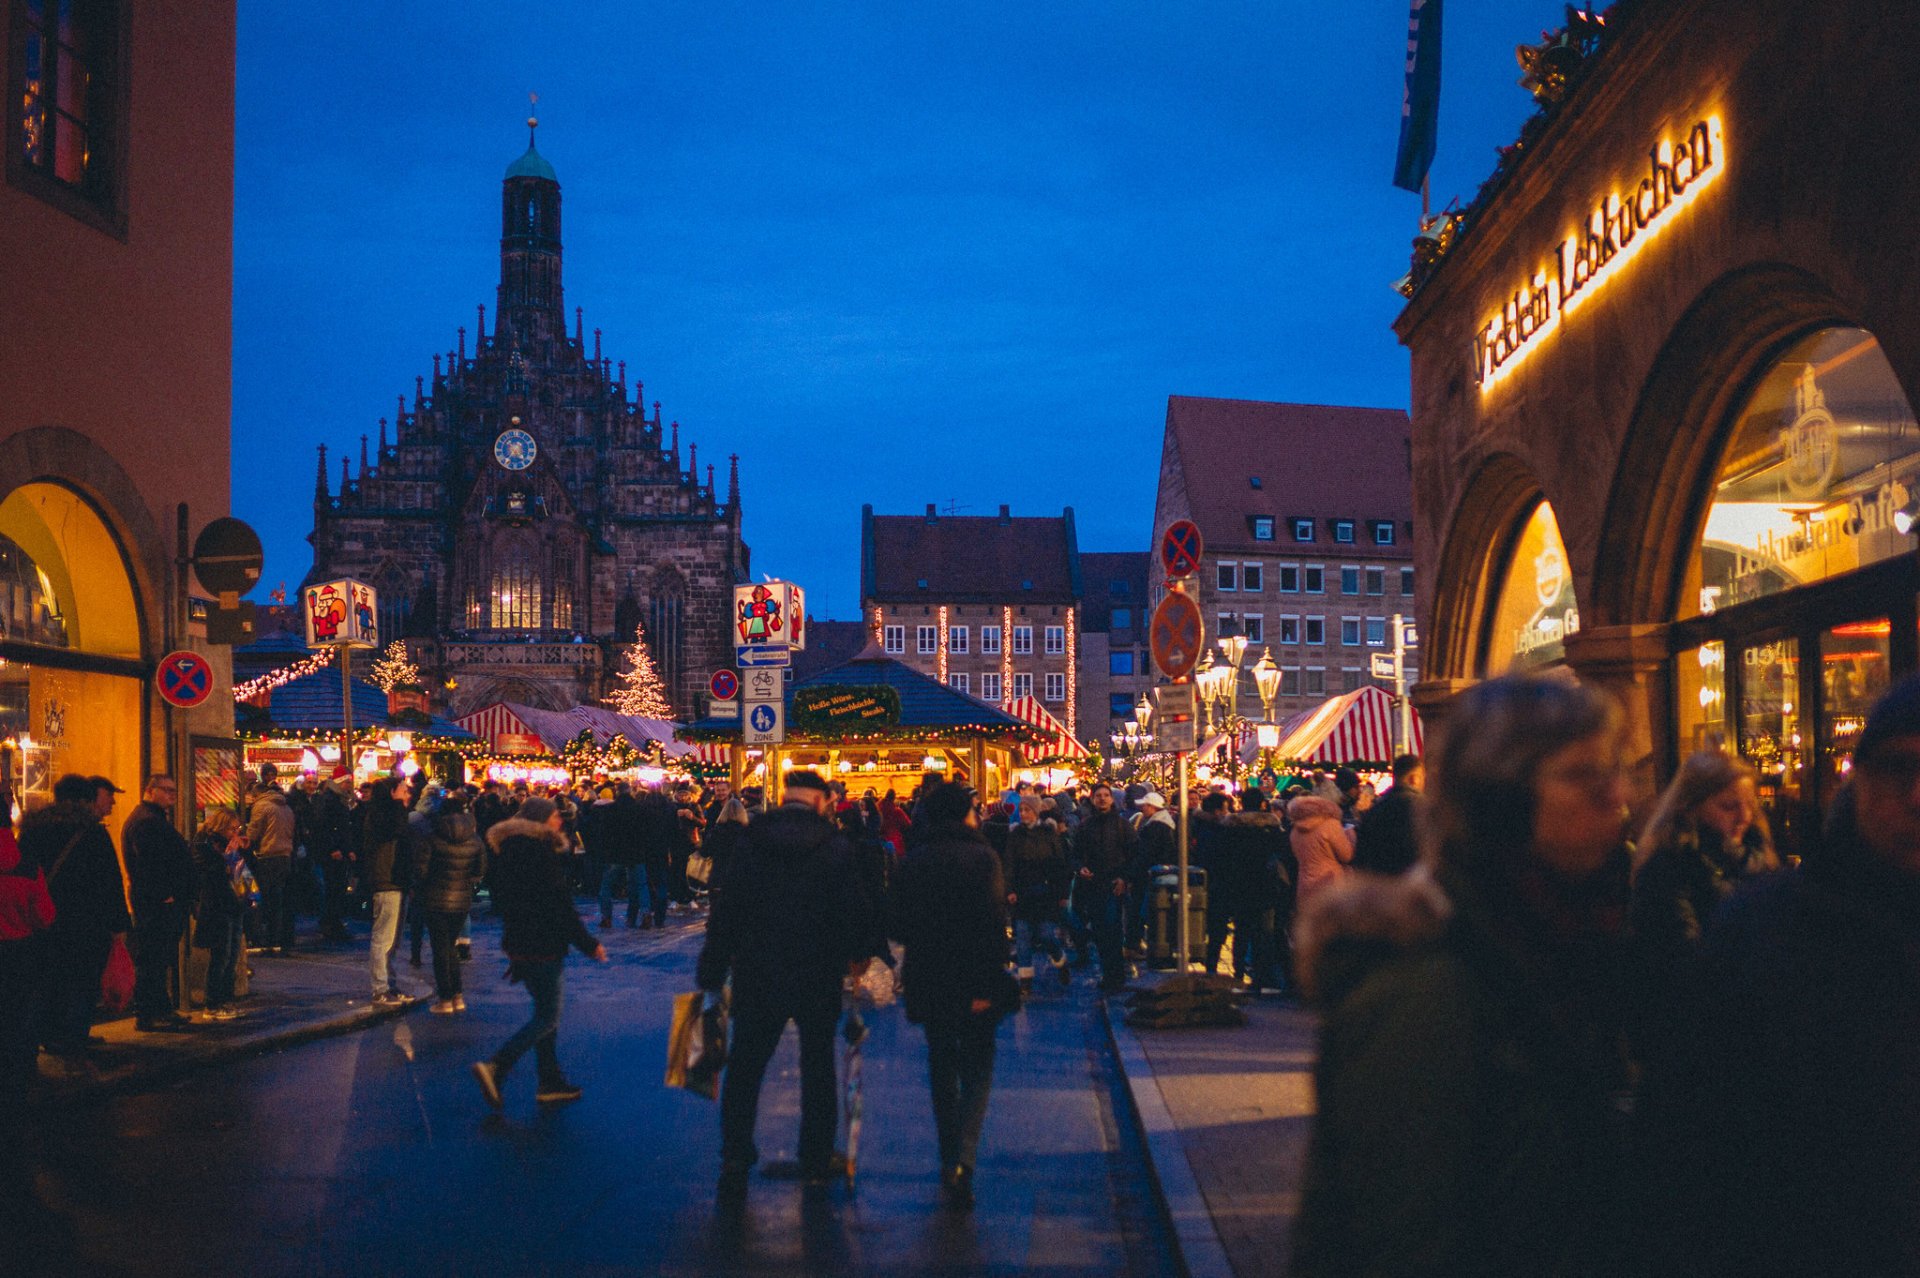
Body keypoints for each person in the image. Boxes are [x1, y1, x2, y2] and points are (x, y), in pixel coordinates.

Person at [1290, 675, 1636, 1276]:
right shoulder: (1426, 987)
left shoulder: (1573, 938)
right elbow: (1398, 1238)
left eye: (1615, 770)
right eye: (1582, 775)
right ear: (1500, 798)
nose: (1617, 797)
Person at [1660, 677, 1920, 1275]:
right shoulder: (1761, 935)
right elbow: (1693, 1157)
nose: (1916, 796)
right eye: (1897, 770)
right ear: (1858, 784)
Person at [696, 769, 874, 1197]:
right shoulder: (834, 846)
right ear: (819, 800)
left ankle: (736, 1154)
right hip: (817, 971)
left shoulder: (753, 841)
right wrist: (859, 955)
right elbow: (853, 910)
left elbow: (729, 908)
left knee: (746, 1065)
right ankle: (814, 1156)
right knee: (817, 1064)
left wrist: (713, 970)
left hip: (758, 969)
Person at [891, 782, 1009, 1207]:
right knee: (977, 1070)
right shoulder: (983, 857)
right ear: (965, 814)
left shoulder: (915, 858)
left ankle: (949, 1158)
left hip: (931, 978)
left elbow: (899, 924)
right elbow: (994, 926)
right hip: (975, 979)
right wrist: (986, 984)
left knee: (942, 1068)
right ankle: (964, 1157)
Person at [1627, 749, 1777, 1073]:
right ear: (1690, 807)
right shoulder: (1669, 867)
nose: (1743, 817)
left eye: (1749, 805)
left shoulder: (1752, 859)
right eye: (1728, 806)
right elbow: (1682, 962)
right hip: (1693, 1045)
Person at [471, 797, 606, 1109]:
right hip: (543, 942)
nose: (560, 820)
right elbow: (560, 905)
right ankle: (497, 1066)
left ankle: (550, 1080)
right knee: (548, 1015)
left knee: (545, 1011)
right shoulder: (540, 854)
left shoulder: (509, 851)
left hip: (520, 940)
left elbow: (505, 900)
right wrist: (588, 944)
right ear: (542, 820)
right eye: (555, 816)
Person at [25, 774, 132, 1055]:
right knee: (82, 980)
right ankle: (74, 1036)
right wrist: (119, 922)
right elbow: (110, 880)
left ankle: (47, 1034)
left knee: (48, 977)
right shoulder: (92, 832)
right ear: (85, 799)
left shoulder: (33, 829)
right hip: (86, 922)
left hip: (43, 918)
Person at [123, 775, 198, 1033]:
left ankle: (160, 1009)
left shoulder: (152, 819)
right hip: (156, 903)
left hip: (160, 900)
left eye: (174, 791)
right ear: (150, 791)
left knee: (159, 957)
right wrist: (164, 894)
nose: (171, 795)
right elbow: (149, 862)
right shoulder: (146, 822)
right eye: (166, 790)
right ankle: (148, 1013)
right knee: (153, 958)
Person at [417, 791, 486, 1014]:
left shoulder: (432, 835)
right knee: (452, 947)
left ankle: (445, 998)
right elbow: (480, 869)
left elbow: (421, 870)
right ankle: (457, 995)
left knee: (441, 949)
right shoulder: (474, 838)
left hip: (435, 898)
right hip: (461, 898)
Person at [0, 815, 54, 1089]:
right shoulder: (29, 866)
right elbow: (44, 916)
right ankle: (17, 1067)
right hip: (20, 950)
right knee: (20, 1010)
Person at [1073, 782, 1139, 993]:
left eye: (1106, 795)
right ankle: (1109, 974)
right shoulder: (1085, 826)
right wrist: (1080, 868)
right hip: (1093, 885)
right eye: (1098, 795)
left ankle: (1115, 976)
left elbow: (1135, 854)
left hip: (1113, 884)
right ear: (1092, 799)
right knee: (1101, 931)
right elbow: (1074, 854)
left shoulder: (1122, 825)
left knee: (1113, 930)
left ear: (1111, 799)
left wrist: (1124, 878)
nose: (1102, 798)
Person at [1001, 795, 1071, 988]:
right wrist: (1009, 890)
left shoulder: (1048, 834)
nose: (1023, 814)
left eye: (1027, 810)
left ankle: (1060, 960)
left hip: (1045, 893)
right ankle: (1025, 980)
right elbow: (1009, 865)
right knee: (1023, 937)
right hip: (1023, 893)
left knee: (1046, 934)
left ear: (1036, 811)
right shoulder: (1015, 836)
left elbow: (1059, 865)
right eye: (1021, 810)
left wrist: (1062, 893)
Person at [189, 808, 248, 1020]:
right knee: (220, 956)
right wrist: (228, 857)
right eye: (232, 828)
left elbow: (243, 873)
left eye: (237, 828)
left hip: (235, 904)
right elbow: (209, 874)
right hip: (217, 905)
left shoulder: (228, 843)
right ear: (222, 826)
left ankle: (226, 1000)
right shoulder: (204, 844)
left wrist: (243, 851)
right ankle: (212, 1004)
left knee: (232, 955)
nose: (235, 832)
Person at [358, 777, 410, 1004]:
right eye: (403, 790)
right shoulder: (383, 816)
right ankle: (380, 987)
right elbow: (394, 831)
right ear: (391, 793)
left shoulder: (387, 814)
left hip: (395, 880)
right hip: (386, 880)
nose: (407, 794)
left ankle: (390, 983)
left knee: (392, 940)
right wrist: (399, 805)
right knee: (383, 938)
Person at [246, 764, 298, 955]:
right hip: (284, 856)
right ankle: (280, 938)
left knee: (265, 899)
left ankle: (266, 939)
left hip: (267, 856)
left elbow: (254, 832)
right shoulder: (285, 807)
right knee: (280, 900)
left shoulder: (261, 806)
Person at [1352, 754, 1423, 876]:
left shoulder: (1375, 808)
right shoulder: (1421, 808)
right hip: (1410, 883)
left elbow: (1361, 855)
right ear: (1414, 778)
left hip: (1379, 883)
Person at [310, 767, 357, 941]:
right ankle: (331, 923)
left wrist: (349, 849)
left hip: (339, 850)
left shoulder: (339, 799)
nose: (349, 785)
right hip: (333, 853)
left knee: (337, 888)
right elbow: (323, 827)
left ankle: (334, 922)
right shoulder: (330, 800)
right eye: (346, 782)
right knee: (333, 888)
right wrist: (333, 848)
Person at [1289, 788, 1354, 904]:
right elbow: (1346, 856)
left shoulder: (1295, 829)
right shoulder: (1331, 825)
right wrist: (1350, 836)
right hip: (1331, 883)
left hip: (1305, 885)